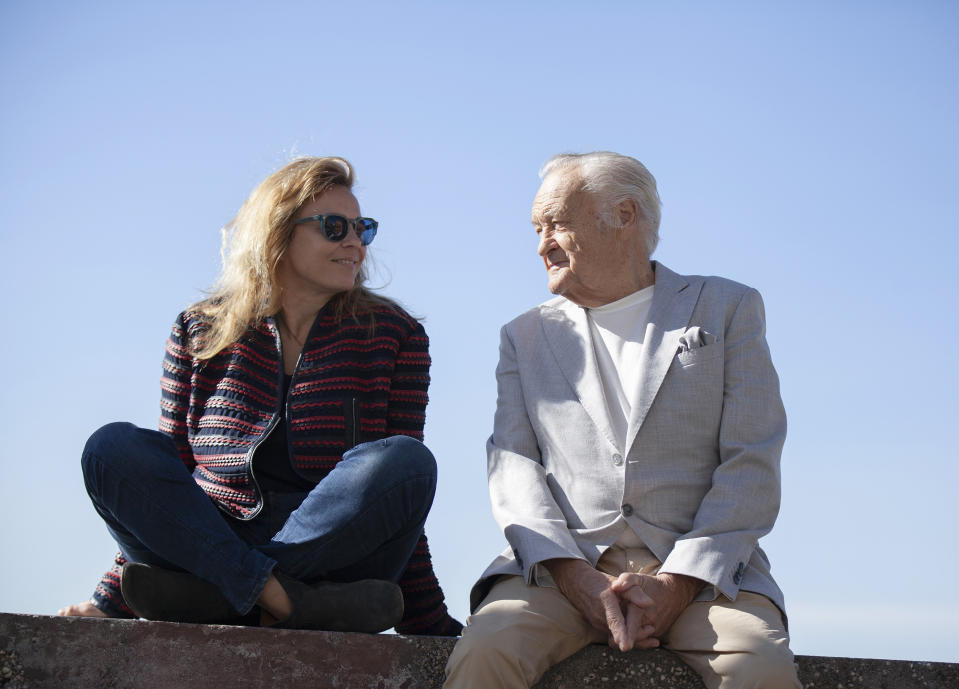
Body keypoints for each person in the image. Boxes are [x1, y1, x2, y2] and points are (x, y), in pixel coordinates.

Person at [58, 156, 462, 636]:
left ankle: (227, 593)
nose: (355, 242)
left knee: (406, 461)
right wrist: (109, 599)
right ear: (277, 233)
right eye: (335, 227)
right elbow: (170, 483)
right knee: (111, 449)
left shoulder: (396, 335)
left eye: (363, 228)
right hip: (218, 530)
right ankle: (285, 600)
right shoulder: (198, 329)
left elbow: (399, 499)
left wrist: (431, 624)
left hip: (331, 551)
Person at [444, 152, 800, 688]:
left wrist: (678, 582)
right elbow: (512, 465)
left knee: (762, 669)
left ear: (625, 215)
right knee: (485, 652)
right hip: (558, 571)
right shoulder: (523, 335)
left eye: (557, 224)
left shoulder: (728, 307)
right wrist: (574, 577)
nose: (542, 245)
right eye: (537, 229)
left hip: (704, 576)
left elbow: (752, 460)